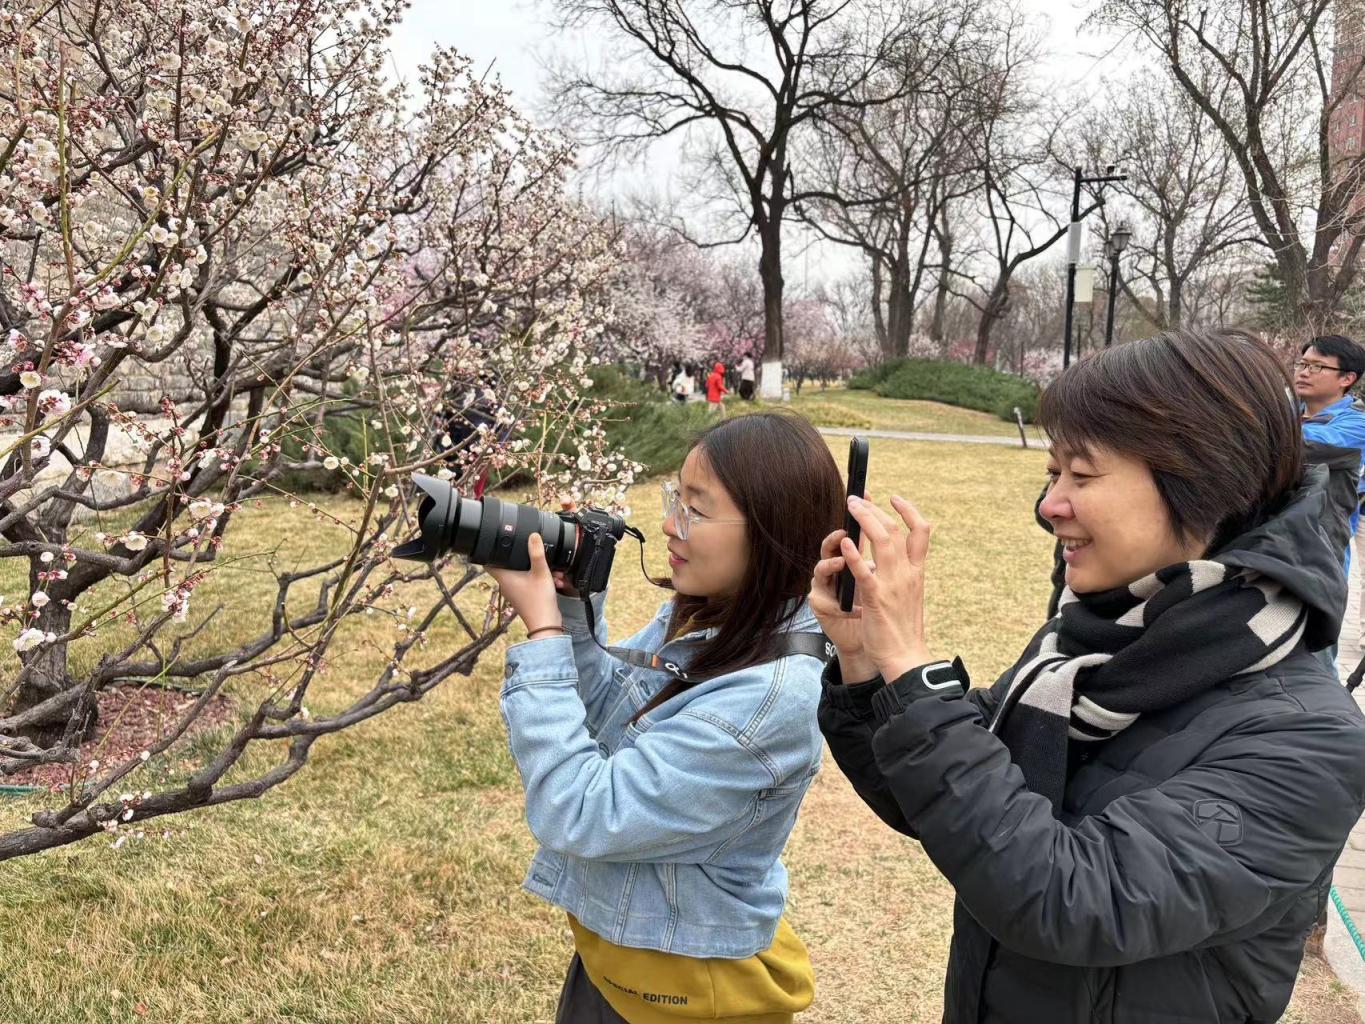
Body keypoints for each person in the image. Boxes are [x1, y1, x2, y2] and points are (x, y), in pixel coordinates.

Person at [813, 327, 1365, 1023]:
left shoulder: (1307, 738)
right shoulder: (1091, 649)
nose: (1050, 505)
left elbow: (1068, 902)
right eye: (1052, 473)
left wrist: (912, 671)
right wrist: (866, 665)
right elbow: (941, 806)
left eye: (1082, 474)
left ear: (1202, 481)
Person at [488, 413, 845, 1023]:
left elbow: (581, 812)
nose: (668, 524)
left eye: (697, 510)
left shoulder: (771, 698)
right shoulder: (717, 618)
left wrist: (545, 630)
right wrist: (573, 607)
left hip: (685, 996)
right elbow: (606, 720)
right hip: (625, 961)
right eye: (675, 496)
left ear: (773, 530)